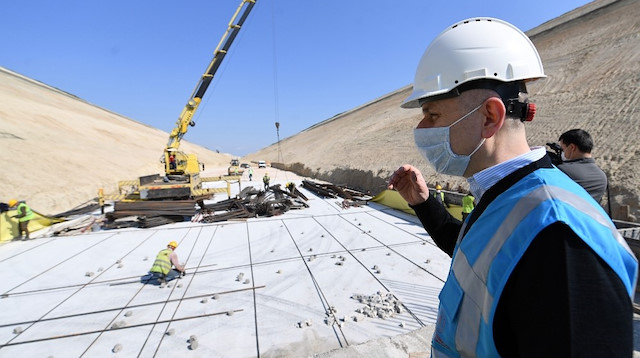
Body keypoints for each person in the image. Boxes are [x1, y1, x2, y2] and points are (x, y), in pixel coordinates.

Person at [387, 18, 637, 357]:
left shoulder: (561, 239)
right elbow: (483, 260)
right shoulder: (508, 194)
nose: (422, 127)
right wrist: (424, 203)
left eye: (432, 114)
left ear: (489, 116)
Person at [556, 129, 607, 202]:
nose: (563, 153)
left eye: (563, 149)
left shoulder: (563, 171)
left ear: (572, 147)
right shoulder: (602, 176)